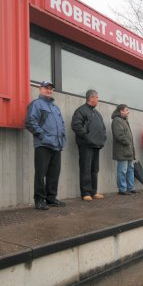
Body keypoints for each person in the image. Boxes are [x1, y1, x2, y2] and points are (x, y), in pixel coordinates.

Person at [25, 81, 67, 210]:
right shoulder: (36, 104)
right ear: (40, 89)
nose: (49, 90)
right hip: (43, 144)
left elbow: (61, 125)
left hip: (57, 145)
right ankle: (39, 200)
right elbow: (30, 122)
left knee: (54, 173)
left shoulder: (55, 108)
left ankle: (51, 198)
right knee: (40, 173)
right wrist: (42, 136)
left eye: (51, 89)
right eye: (46, 88)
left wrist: (63, 138)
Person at [71, 89, 107, 201]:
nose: (98, 99)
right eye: (96, 97)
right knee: (85, 168)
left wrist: (103, 140)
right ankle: (86, 193)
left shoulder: (97, 113)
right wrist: (87, 137)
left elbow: (103, 128)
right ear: (90, 98)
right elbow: (76, 126)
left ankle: (94, 192)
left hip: (96, 145)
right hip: (86, 145)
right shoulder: (81, 111)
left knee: (94, 169)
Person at [111, 104, 137, 195]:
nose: (128, 112)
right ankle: (122, 189)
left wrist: (130, 145)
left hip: (128, 150)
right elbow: (119, 135)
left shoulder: (124, 120)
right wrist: (128, 143)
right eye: (126, 110)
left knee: (130, 169)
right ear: (121, 111)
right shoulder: (117, 120)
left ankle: (131, 188)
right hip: (122, 151)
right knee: (122, 170)